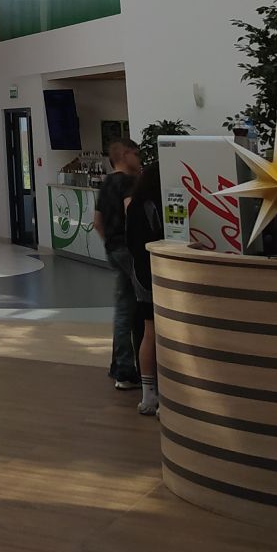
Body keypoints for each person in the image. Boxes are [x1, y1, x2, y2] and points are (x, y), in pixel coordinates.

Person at [93, 138, 142, 389]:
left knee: (123, 307)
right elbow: (131, 215)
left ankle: (119, 366)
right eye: (136, 153)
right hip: (129, 250)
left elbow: (97, 222)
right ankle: (127, 370)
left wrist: (110, 244)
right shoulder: (129, 183)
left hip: (113, 249)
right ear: (124, 154)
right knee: (136, 309)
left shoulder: (107, 183)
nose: (140, 158)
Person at [124, 161, 164, 416]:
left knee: (148, 331)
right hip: (155, 274)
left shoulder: (134, 205)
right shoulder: (153, 206)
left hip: (139, 274)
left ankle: (148, 395)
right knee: (163, 333)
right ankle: (165, 394)